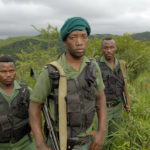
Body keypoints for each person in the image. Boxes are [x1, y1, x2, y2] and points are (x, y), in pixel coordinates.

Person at [29, 16, 107, 150]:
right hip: (59, 143)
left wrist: (101, 132)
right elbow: (34, 106)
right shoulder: (51, 71)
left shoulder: (93, 67)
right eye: (73, 37)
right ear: (65, 41)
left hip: (88, 142)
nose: (79, 42)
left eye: (83, 36)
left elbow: (100, 98)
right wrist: (40, 143)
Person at [96, 37, 130, 148]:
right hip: (102, 109)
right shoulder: (95, 65)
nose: (109, 50)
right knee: (101, 140)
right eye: (106, 48)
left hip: (117, 108)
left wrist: (127, 102)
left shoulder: (121, 65)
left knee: (113, 138)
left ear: (115, 48)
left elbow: (124, 84)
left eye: (111, 47)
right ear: (102, 49)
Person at [0, 56, 36, 150]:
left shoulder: (26, 91)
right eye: (3, 71)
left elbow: (36, 116)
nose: (8, 75)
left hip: (25, 143)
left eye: (11, 71)